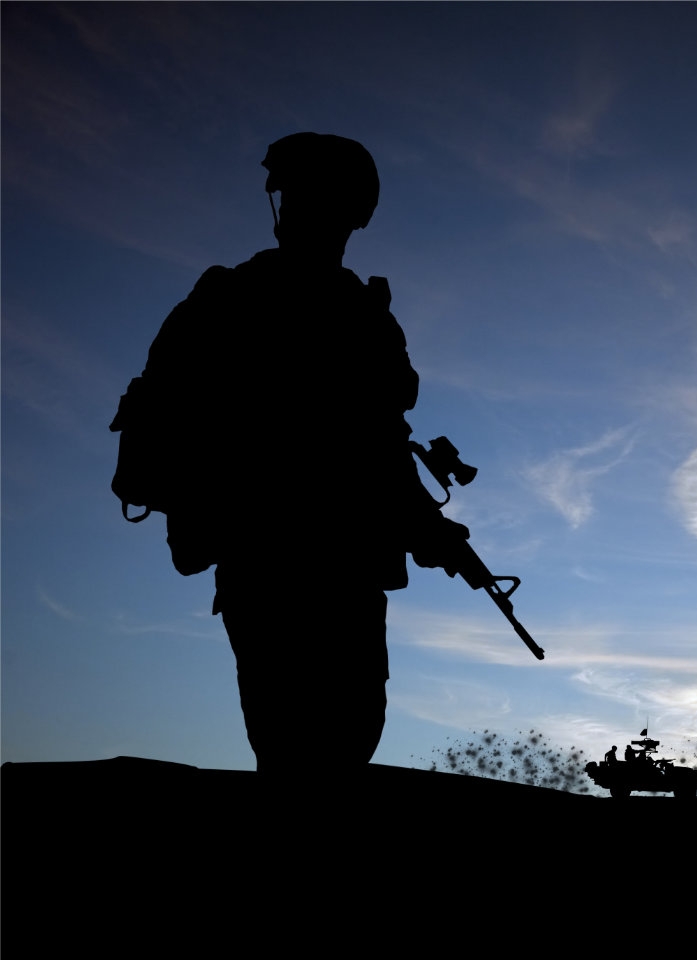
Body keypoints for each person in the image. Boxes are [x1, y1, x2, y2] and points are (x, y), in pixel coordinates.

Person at [111, 133, 452, 776]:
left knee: (345, 733)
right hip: (268, 551)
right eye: (298, 197)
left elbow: (378, 439)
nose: (303, 211)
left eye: (317, 199)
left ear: (352, 213)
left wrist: (425, 525)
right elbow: (359, 440)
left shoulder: (361, 312)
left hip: (338, 560)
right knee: (298, 742)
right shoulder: (235, 297)